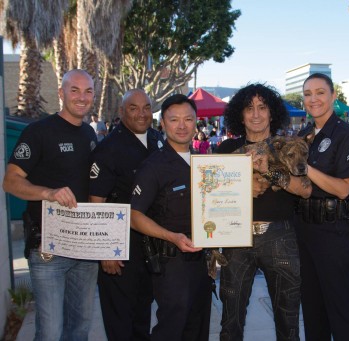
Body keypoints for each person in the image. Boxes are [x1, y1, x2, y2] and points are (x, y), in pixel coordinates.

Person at [2, 69, 98, 341]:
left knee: (79, 328)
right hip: (49, 249)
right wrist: (48, 192)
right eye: (75, 90)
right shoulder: (38, 132)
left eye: (88, 91)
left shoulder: (90, 134)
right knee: (50, 332)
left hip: (85, 246)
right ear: (61, 93)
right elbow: (10, 181)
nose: (82, 97)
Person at [216, 84, 310, 341]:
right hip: (236, 239)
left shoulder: (289, 146)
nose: (256, 114)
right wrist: (244, 187)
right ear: (240, 114)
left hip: (280, 237)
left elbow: (305, 189)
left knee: (288, 323)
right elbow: (211, 196)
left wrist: (269, 172)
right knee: (230, 322)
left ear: (272, 113)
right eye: (249, 108)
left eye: (262, 107)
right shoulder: (225, 150)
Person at [130, 94, 212, 341]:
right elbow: (134, 216)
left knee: (198, 326)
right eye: (174, 119)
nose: (182, 125)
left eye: (188, 119)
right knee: (171, 328)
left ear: (196, 122)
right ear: (162, 124)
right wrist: (171, 236)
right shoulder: (153, 166)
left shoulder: (205, 163)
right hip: (171, 263)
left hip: (202, 261)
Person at [89, 89, 164, 340]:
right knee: (120, 319)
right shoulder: (109, 148)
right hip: (119, 246)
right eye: (134, 108)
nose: (142, 114)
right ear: (122, 112)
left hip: (150, 244)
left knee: (143, 313)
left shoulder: (157, 139)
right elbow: (96, 202)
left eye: (146, 107)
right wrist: (106, 251)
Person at [295, 73, 349, 340]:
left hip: (333, 231)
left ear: (334, 96)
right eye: (308, 94)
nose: (314, 99)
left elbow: (344, 188)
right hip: (304, 230)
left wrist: (305, 168)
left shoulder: (346, 135)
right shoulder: (303, 135)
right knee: (312, 308)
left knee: (341, 308)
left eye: (320, 92)